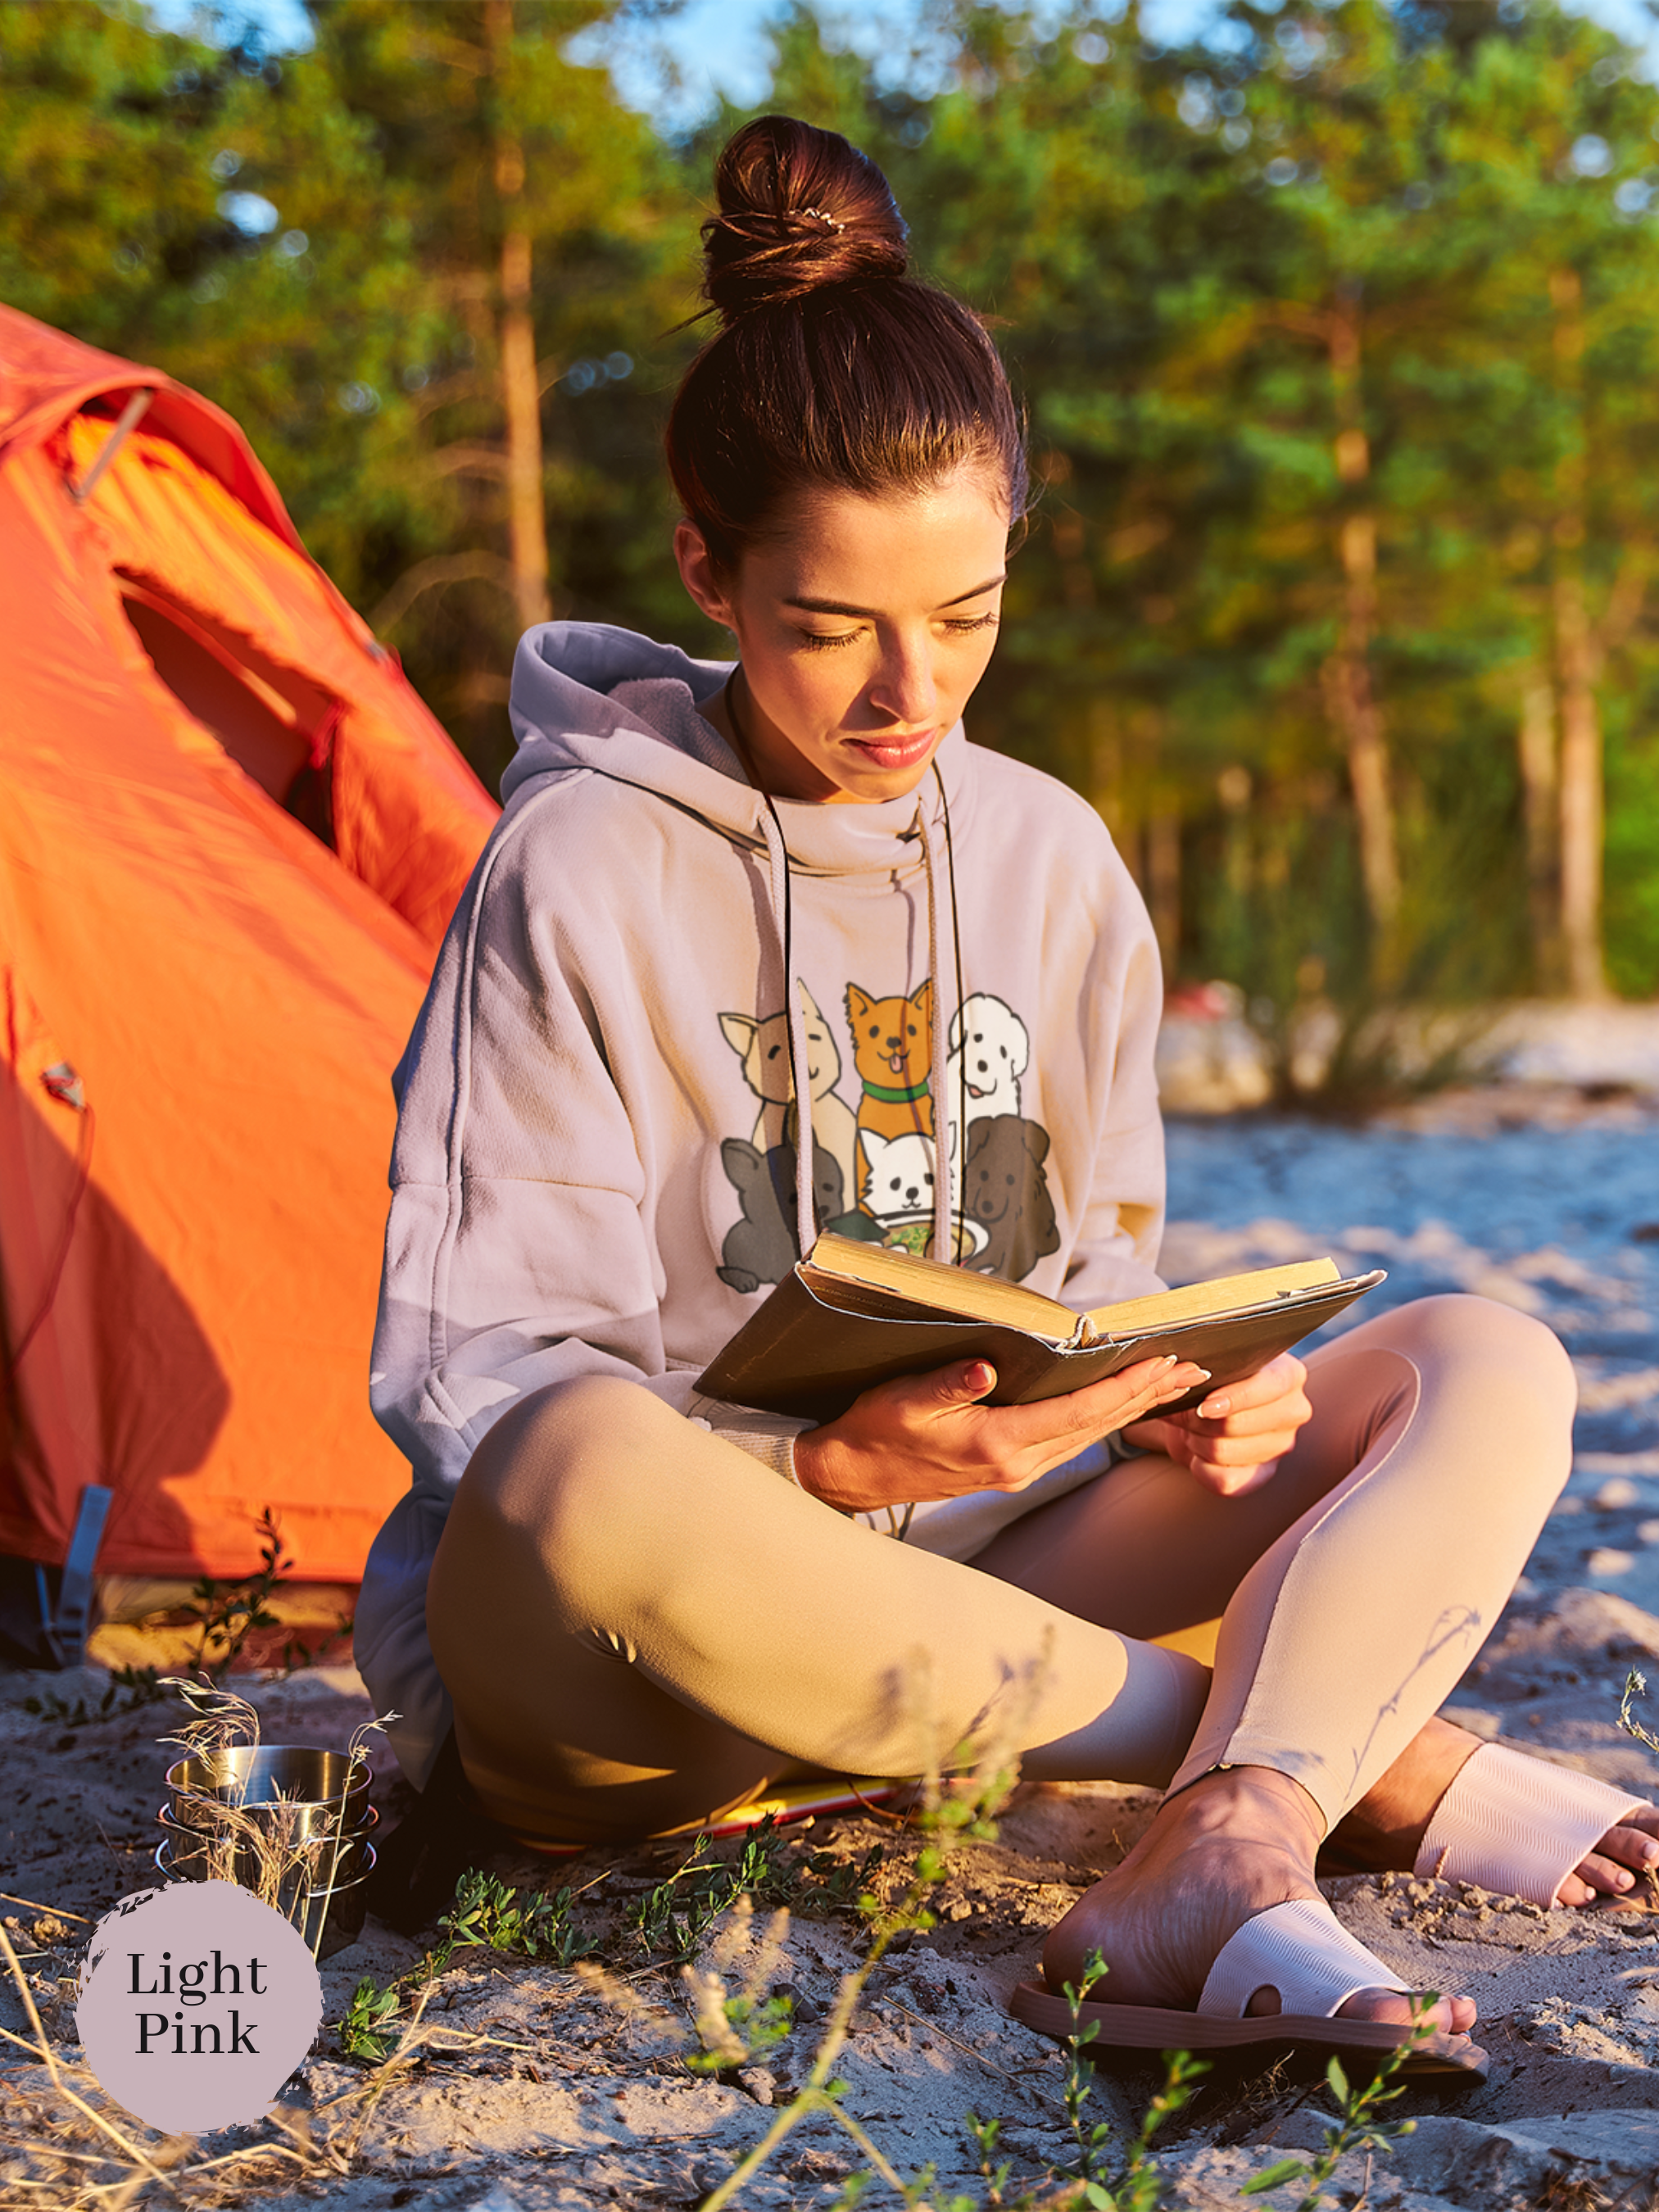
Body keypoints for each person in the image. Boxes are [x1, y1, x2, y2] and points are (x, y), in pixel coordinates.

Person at [356, 115, 1659, 2074]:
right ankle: (1347, 1763)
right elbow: (472, 1369)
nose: (911, 694)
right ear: (707, 563)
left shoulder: (1050, 857)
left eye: (964, 618)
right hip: (653, 1670)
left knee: (1483, 1359)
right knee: (569, 1465)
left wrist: (1175, 1403)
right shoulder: (577, 866)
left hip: (980, 1583)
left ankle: (1226, 1823)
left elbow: (1087, 1270)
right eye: (834, 627)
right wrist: (816, 1471)